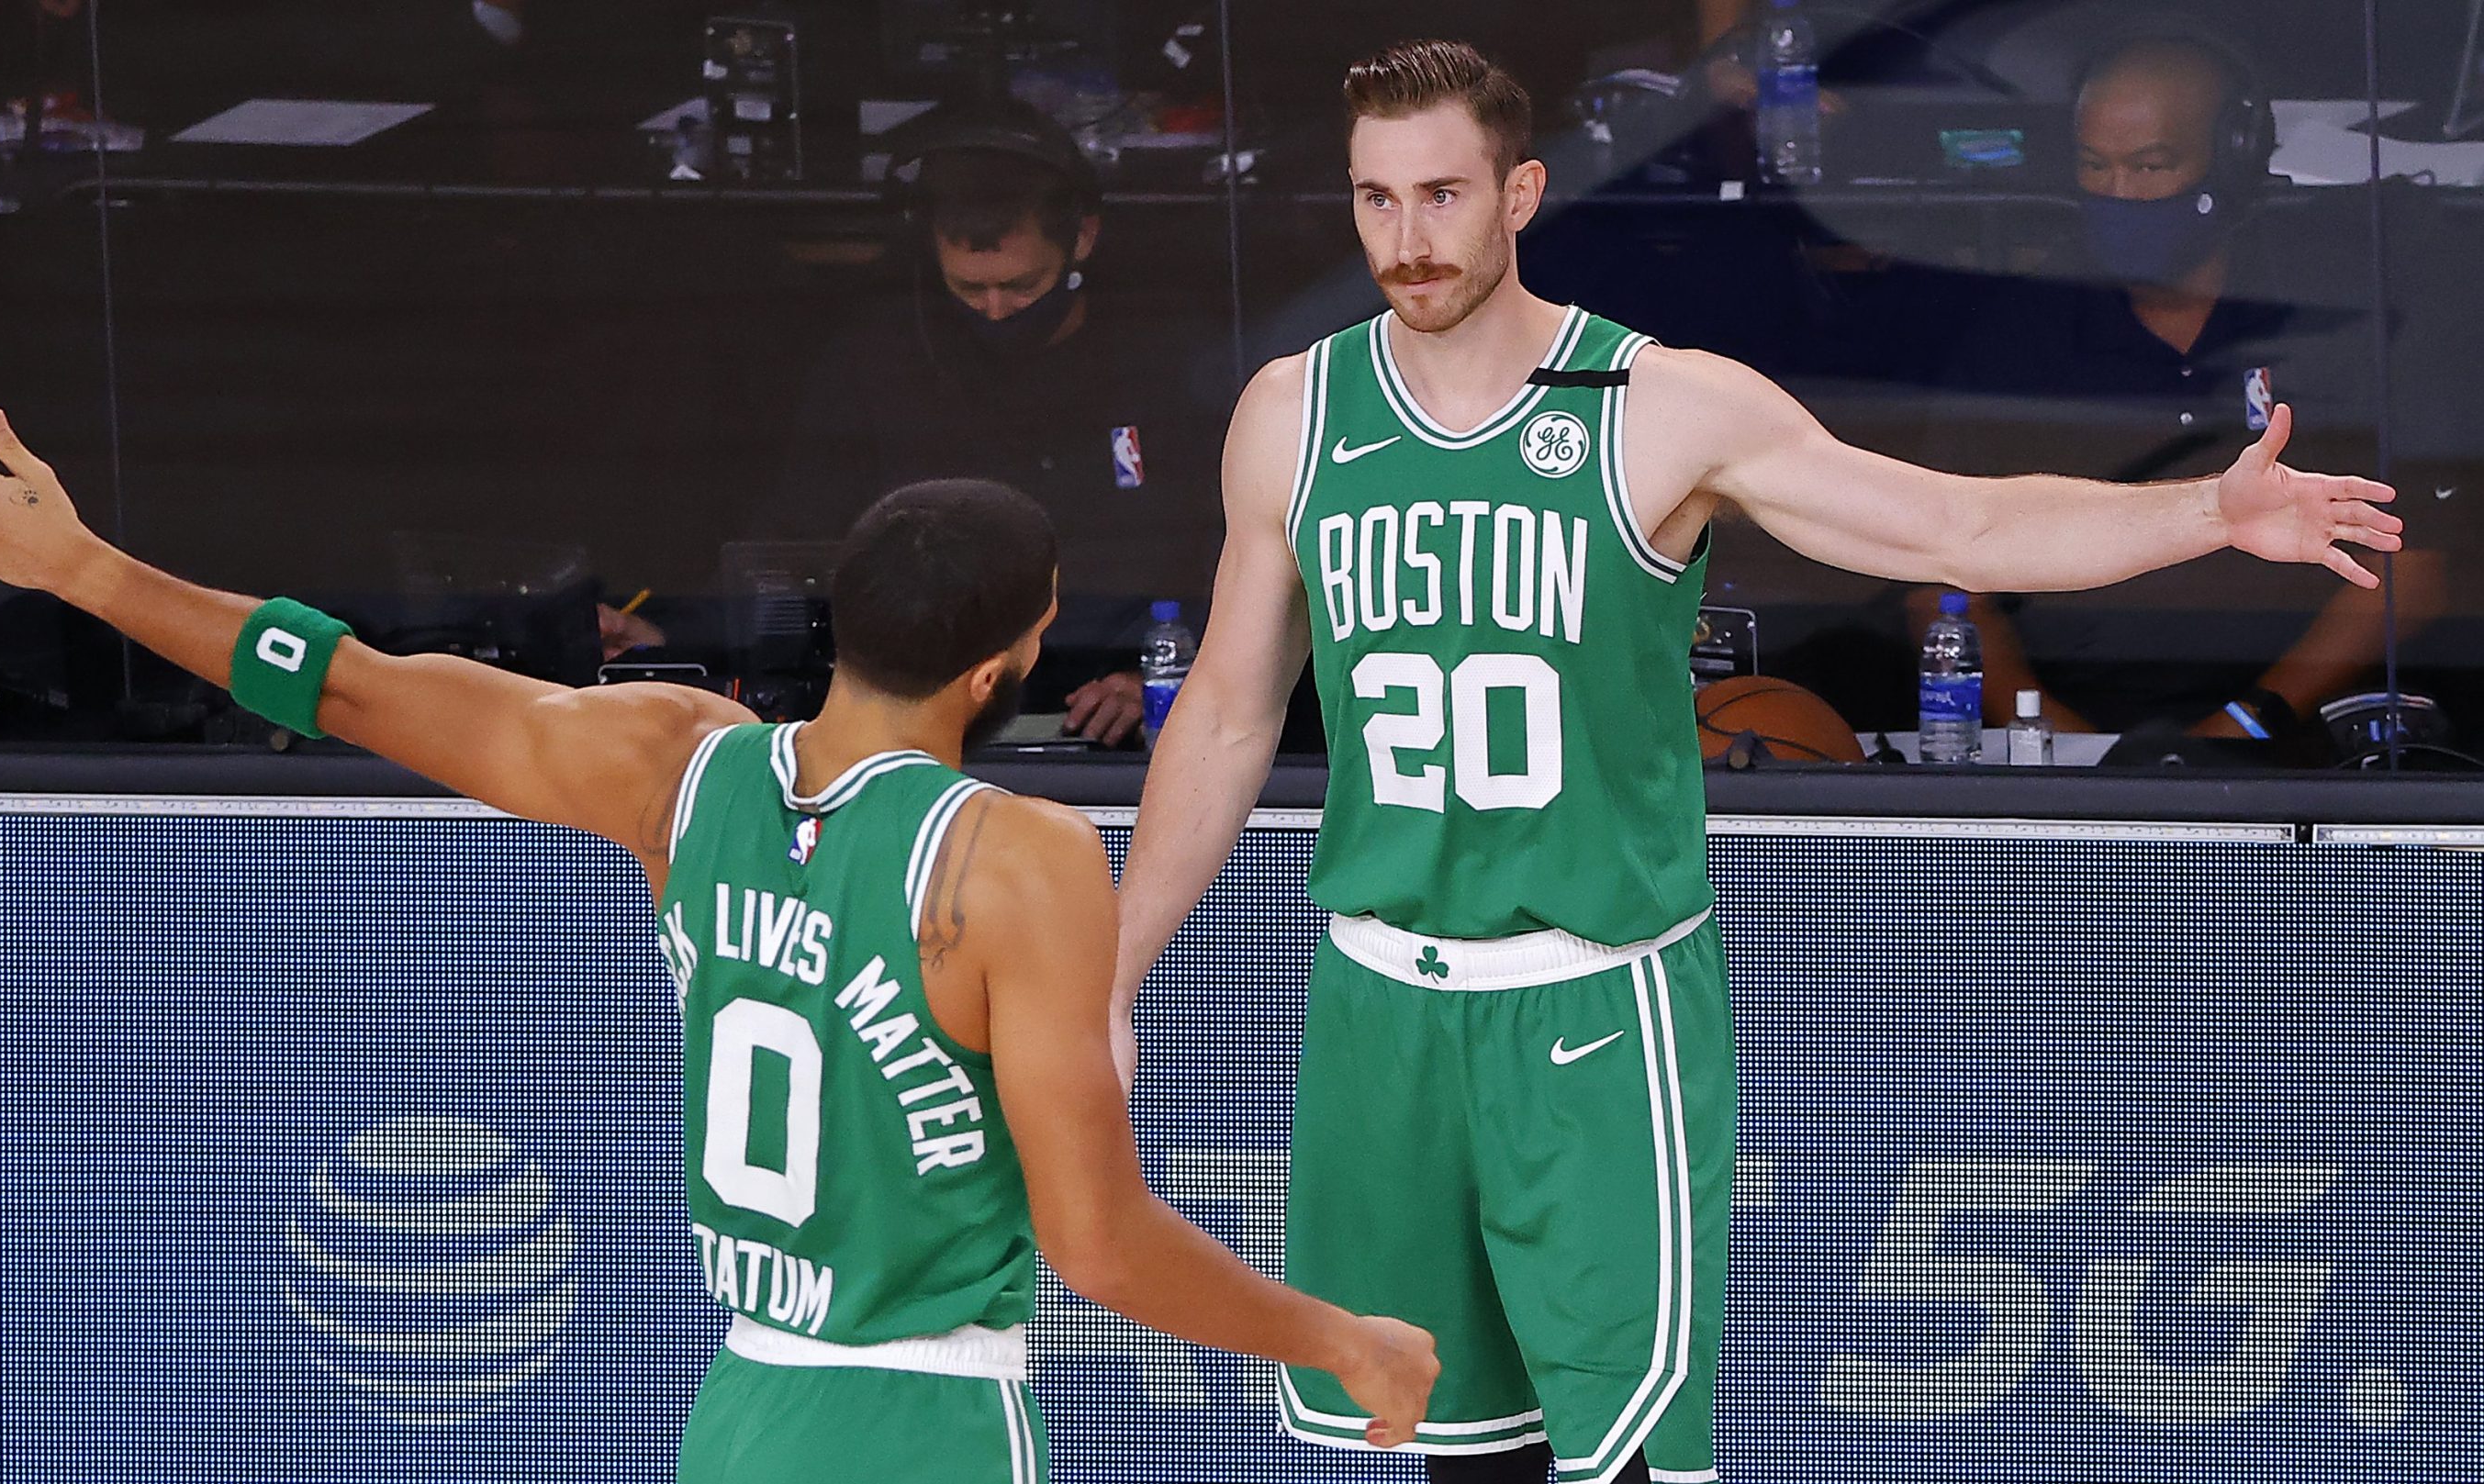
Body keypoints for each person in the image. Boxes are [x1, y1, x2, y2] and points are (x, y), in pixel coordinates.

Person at [1110, 39, 2397, 1484]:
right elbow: (1223, 713)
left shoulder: (1660, 404)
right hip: (1375, 1005)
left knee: (1631, 1462)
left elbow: (1947, 531)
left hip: (1588, 1004)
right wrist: (1111, 976)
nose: (1406, 241)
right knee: (1451, 1449)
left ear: (1520, 193)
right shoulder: (1295, 413)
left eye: (1442, 196)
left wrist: (2204, 517)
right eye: (1374, 200)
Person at [0, 422, 1438, 1478]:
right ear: (1010, 657)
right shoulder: (1014, 855)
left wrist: (84, 571)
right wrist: (1335, 1337)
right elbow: (1095, 1245)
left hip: (740, 1407)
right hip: (927, 1417)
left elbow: (340, 684)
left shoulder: (678, 765)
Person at [1920, 23, 2439, 744]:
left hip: (2303, 741)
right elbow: (1933, 565)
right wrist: (2061, 746)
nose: (2117, 193)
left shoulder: (2337, 310)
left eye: (2149, 166)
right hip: (2061, 742)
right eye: (2093, 166)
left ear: (2230, 162)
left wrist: (2245, 726)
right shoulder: (2016, 330)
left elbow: (2423, 555)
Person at [766, 99, 1228, 748]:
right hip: (920, 723)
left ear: (1082, 238)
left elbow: (1242, 553)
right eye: (968, 289)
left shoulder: (1173, 362)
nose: (994, 310)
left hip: (1122, 722)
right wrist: (676, 625)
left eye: (1021, 285)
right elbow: (795, 540)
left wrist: (1166, 675)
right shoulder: (876, 363)